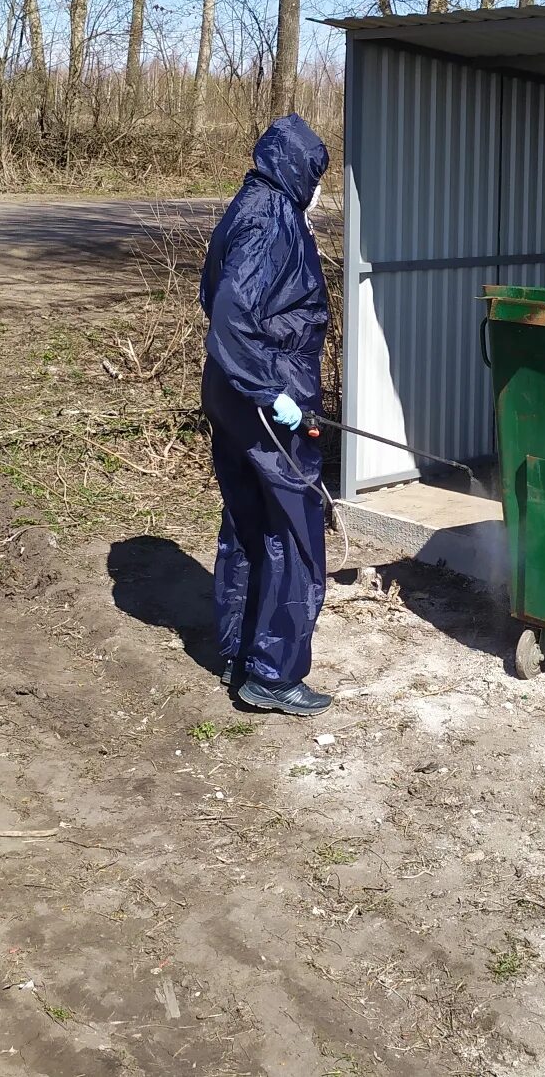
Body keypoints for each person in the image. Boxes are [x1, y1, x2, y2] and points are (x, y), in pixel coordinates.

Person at [199, 114, 334, 717]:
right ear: (298, 169)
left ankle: (239, 652)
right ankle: (274, 674)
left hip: (234, 397)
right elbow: (229, 313)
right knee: (295, 530)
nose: (320, 190)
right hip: (265, 402)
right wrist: (269, 392)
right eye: (318, 176)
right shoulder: (273, 220)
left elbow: (211, 292)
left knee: (249, 524)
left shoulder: (245, 205)